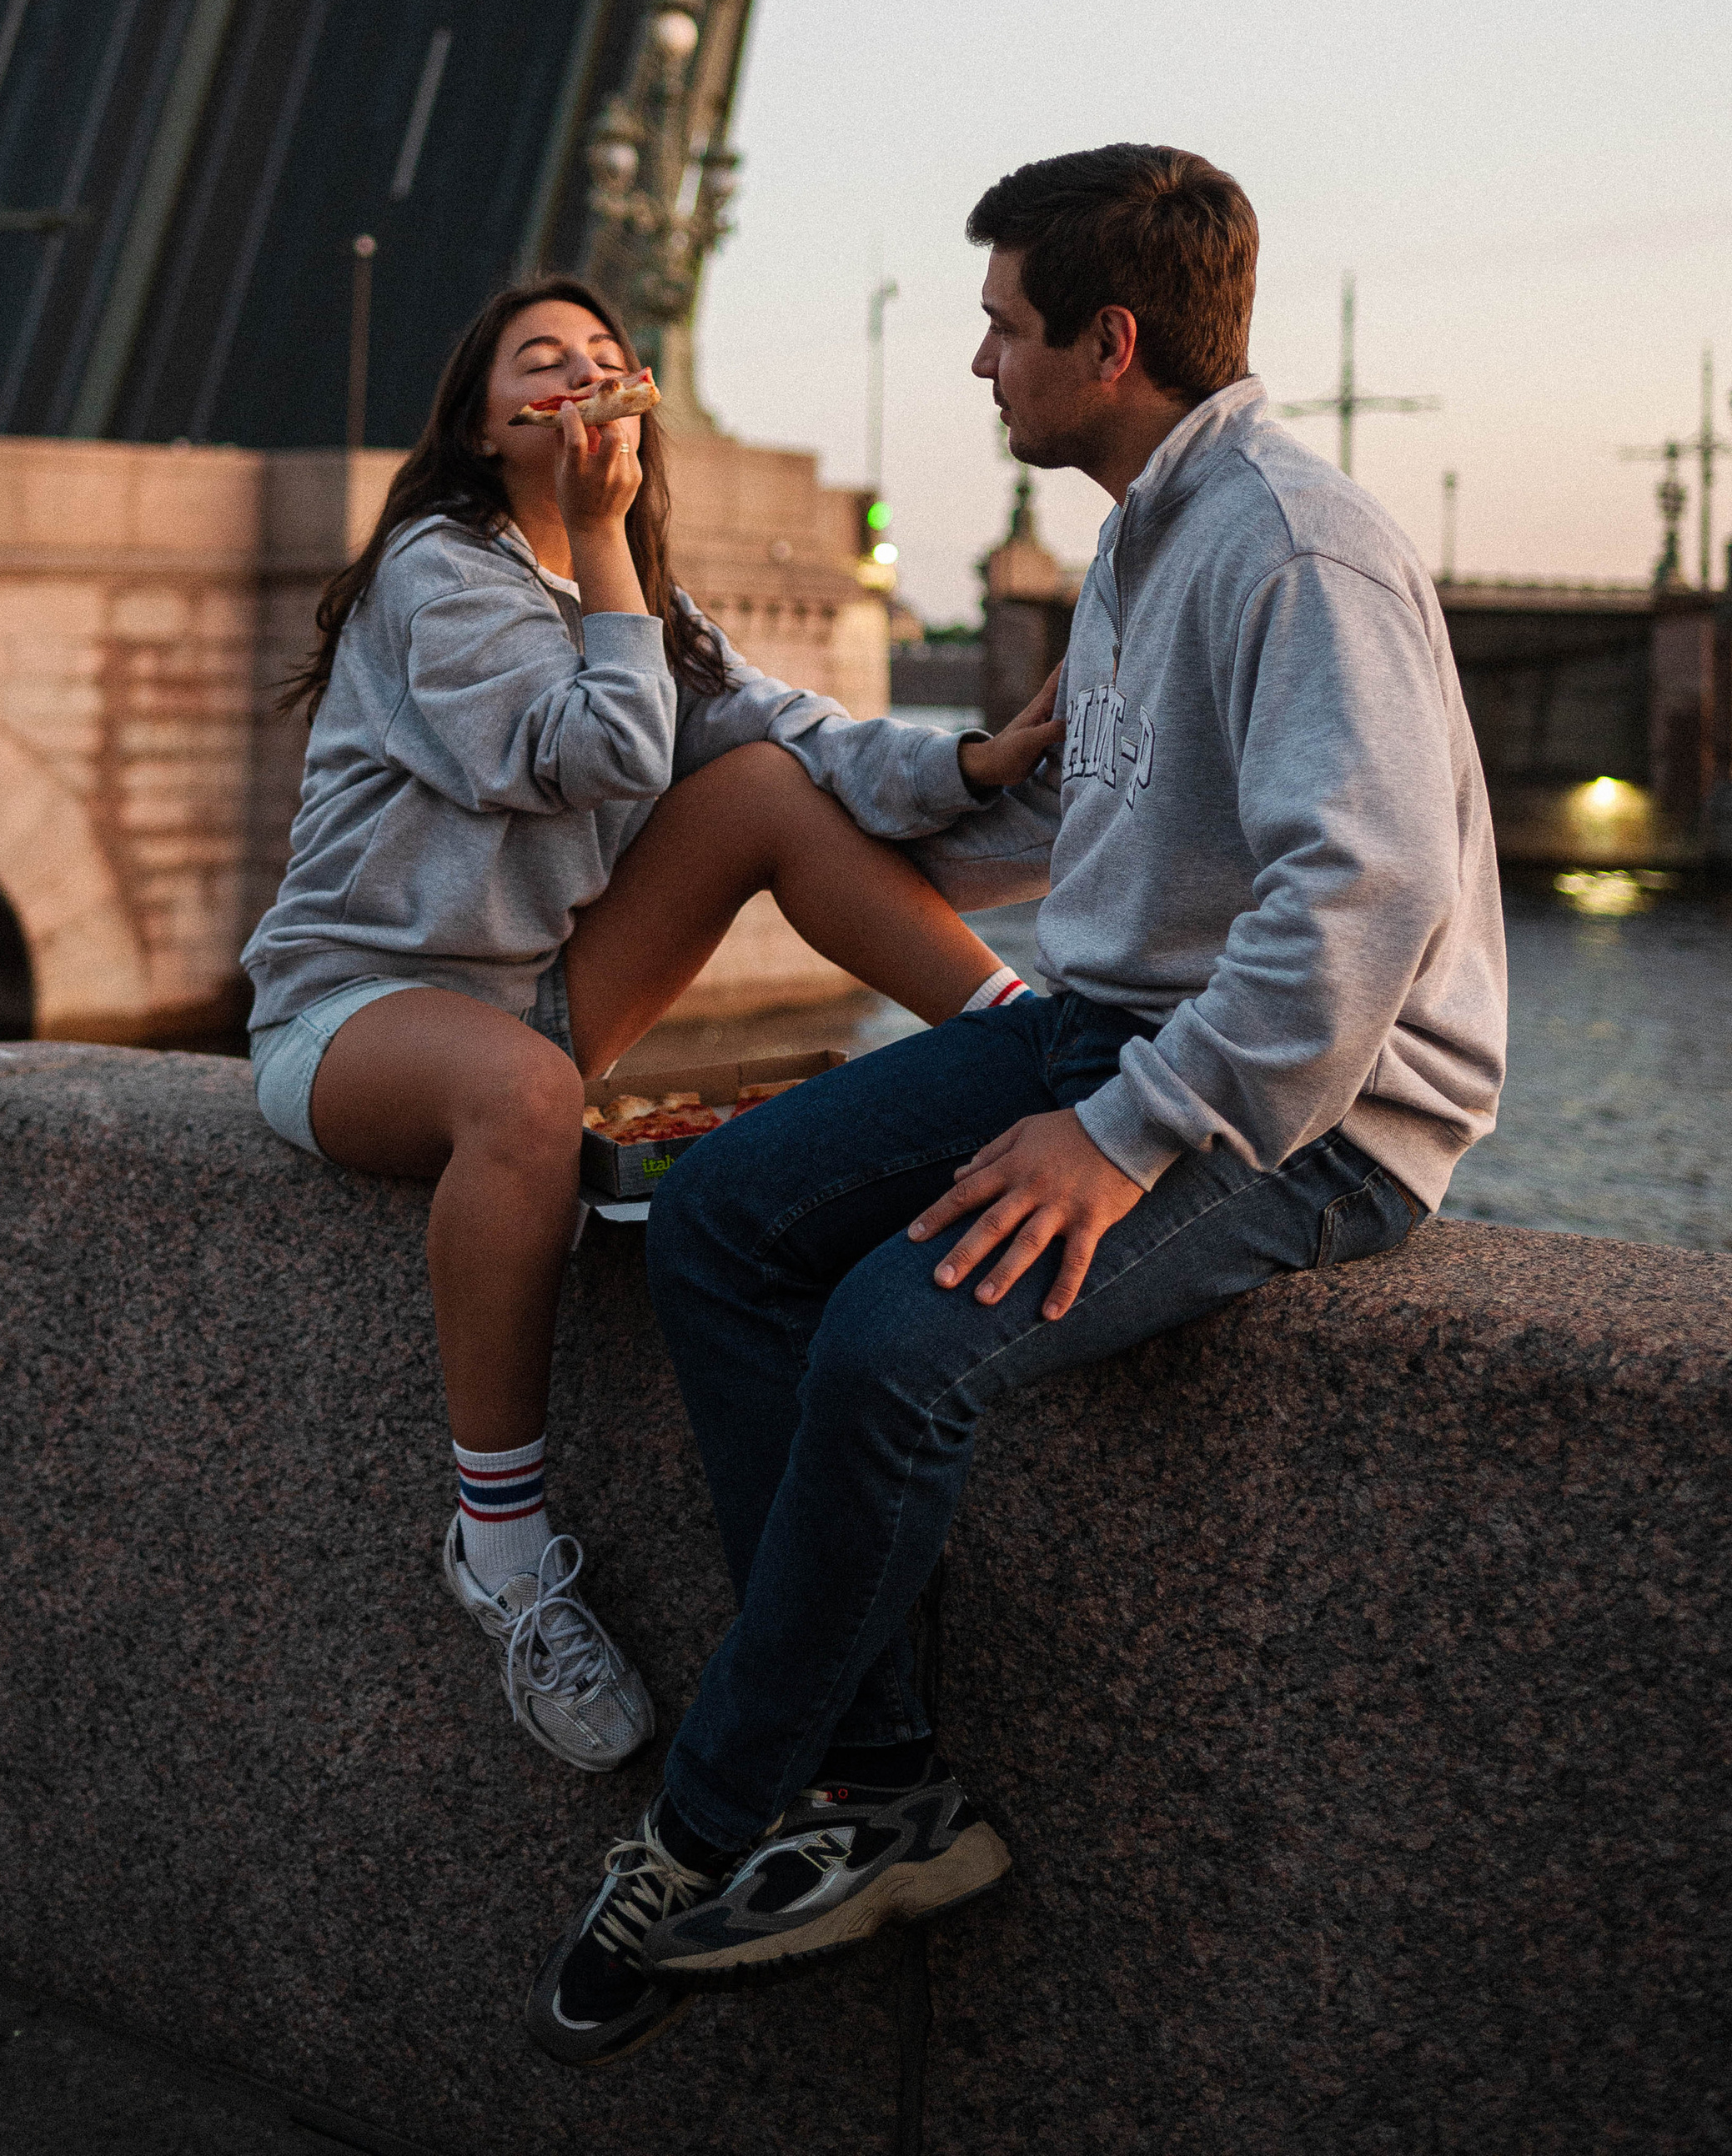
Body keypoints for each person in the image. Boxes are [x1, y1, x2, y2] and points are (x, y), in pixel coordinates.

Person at [529, 143, 1506, 2066]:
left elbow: (1364, 890)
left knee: (895, 1346)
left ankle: (714, 1820)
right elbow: (1039, 812)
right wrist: (642, 579)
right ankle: (883, 1782)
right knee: (714, 1225)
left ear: (1107, 340)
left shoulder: (1290, 545)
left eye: (1000, 327)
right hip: (1111, 1024)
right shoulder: (1144, 533)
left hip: (1317, 1114)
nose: (980, 363)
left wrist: (1125, 1130)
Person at [242, 273, 1062, 1778]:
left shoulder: (640, 606)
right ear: (486, 427)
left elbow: (796, 742)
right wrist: (609, 536)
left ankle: (1038, 1039)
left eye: (602, 360)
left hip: (535, 1008)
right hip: (352, 1012)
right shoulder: (438, 569)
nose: (575, 375)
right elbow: (591, 750)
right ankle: (500, 1546)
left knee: (758, 792)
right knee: (525, 1100)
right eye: (537, 361)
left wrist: (975, 757)